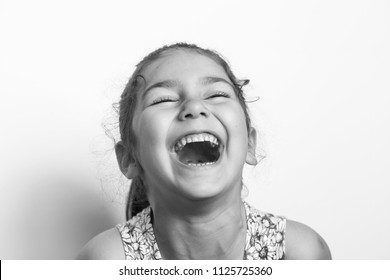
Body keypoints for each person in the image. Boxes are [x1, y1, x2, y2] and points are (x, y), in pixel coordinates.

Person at [77, 43, 332, 260]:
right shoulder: (106, 261)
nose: (195, 107)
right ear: (130, 158)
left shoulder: (297, 255)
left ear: (250, 145)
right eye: (164, 99)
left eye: (217, 94)